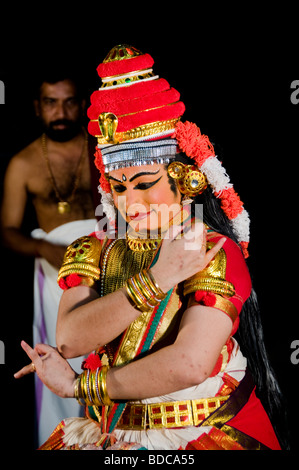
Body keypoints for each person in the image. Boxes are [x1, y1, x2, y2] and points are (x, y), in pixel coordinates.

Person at [15, 45, 287, 450]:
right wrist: (159, 276)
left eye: (145, 184)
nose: (130, 202)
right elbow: (71, 339)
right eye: (119, 187)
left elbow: (190, 364)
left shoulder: (211, 249)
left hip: (199, 434)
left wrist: (78, 386)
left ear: (186, 178)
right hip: (108, 433)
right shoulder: (95, 248)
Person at [1, 72, 99, 445]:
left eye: (70, 101)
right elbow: (7, 231)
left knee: (110, 352)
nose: (61, 111)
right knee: (63, 356)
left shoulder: (100, 150)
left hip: (106, 262)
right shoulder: (23, 163)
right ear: (37, 108)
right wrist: (45, 247)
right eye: (50, 102)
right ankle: (68, 440)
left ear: (82, 104)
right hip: (55, 275)